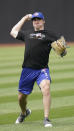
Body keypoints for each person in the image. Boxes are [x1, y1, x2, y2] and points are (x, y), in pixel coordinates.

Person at [10, 12, 61, 127]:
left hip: (42, 70)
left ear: (43, 21)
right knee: (21, 98)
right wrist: (24, 18)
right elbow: (13, 32)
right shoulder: (27, 33)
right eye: (34, 19)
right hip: (27, 70)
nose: (36, 21)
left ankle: (46, 118)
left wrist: (62, 49)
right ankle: (24, 112)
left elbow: (61, 46)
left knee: (46, 88)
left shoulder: (50, 34)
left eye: (38, 19)